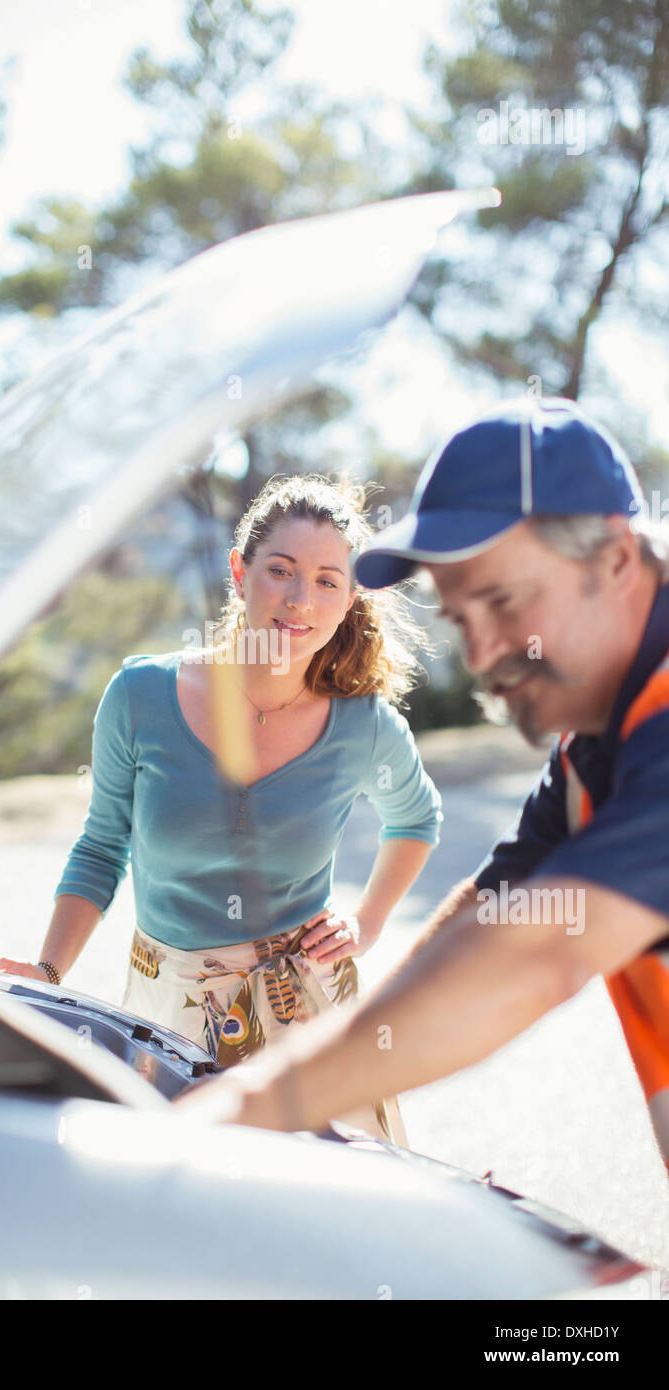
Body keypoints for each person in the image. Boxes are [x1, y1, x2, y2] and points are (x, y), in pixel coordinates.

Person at [174, 397, 669, 1181]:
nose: (485, 655)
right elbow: (496, 918)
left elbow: (536, 959)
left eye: (503, 602)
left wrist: (220, 1123)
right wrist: (262, 1088)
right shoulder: (600, 742)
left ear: (614, 559)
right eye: (461, 617)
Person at [0, 473, 442, 1144]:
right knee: (183, 1218)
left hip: (306, 1016)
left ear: (350, 599)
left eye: (328, 581)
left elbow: (416, 819)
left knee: (322, 1220)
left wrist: (367, 921)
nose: (300, 599)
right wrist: (47, 973)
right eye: (281, 571)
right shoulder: (140, 697)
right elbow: (102, 847)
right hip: (167, 1015)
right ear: (239, 571)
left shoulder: (363, 726)